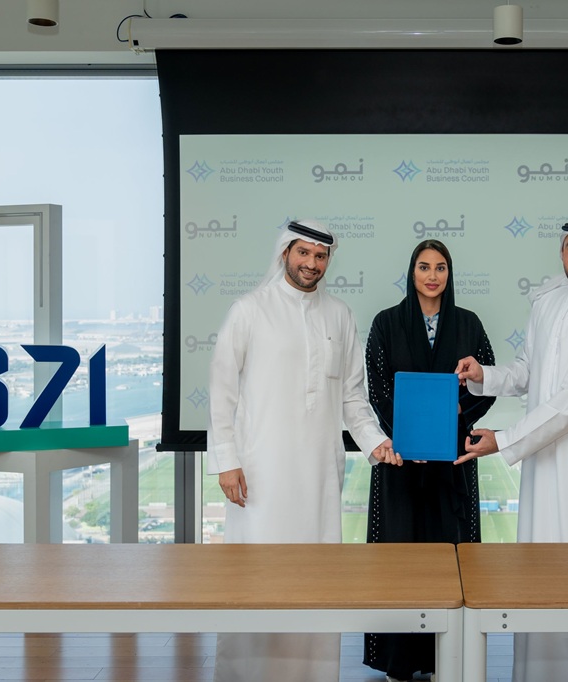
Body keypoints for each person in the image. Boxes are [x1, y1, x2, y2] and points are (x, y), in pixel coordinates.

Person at [207, 218, 400, 682]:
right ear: (285, 255)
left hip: (318, 479)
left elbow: (353, 397)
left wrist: (376, 442)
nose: (312, 264)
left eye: (320, 256)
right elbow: (221, 390)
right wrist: (226, 461)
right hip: (260, 475)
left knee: (316, 581)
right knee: (258, 582)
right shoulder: (250, 310)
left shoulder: (340, 315)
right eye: (304, 254)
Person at [454, 219, 568, 682]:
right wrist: (486, 375)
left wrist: (504, 439)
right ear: (562, 253)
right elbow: (529, 370)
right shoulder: (547, 303)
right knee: (540, 586)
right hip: (545, 472)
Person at [362, 239, 496, 682]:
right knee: (401, 560)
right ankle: (398, 663)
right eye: (424, 267)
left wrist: (461, 412)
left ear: (449, 273)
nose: (433, 275)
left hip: (451, 462)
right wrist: (404, 436)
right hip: (400, 465)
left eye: (440, 267)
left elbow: (486, 380)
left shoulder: (469, 324)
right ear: (412, 272)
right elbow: (378, 387)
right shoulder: (386, 323)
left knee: (450, 556)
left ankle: (448, 660)